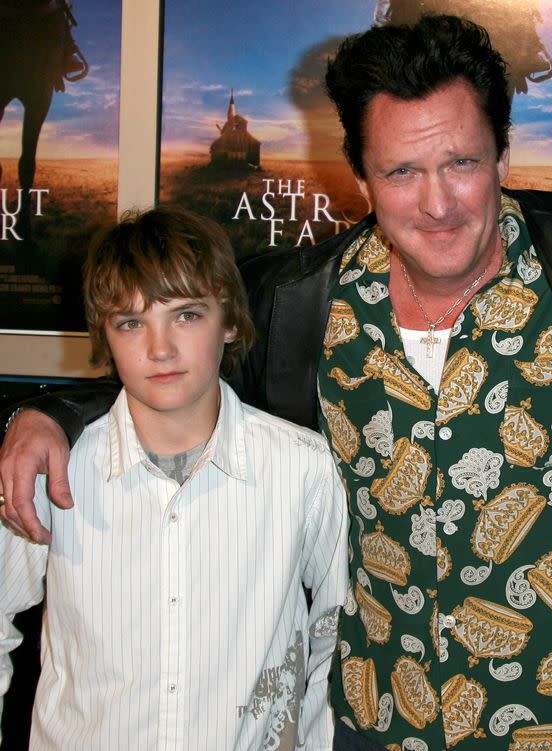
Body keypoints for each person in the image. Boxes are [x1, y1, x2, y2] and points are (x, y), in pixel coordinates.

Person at [1, 13, 552, 751]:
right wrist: (52, 415)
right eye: (401, 172)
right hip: (370, 726)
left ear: (502, 154)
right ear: (360, 175)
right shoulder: (299, 301)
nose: (437, 203)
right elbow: (175, 367)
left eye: (462, 162)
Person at [0, 206, 348, 750]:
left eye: (186, 315)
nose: (159, 349)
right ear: (105, 335)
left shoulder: (303, 468)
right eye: (130, 322)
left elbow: (335, 634)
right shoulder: (55, 470)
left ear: (229, 319)